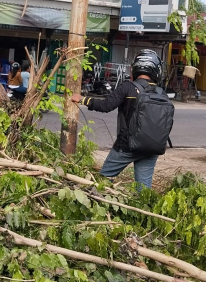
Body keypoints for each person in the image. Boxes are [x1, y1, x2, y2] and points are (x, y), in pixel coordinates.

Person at [71, 50, 167, 190]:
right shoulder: (161, 93)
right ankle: (142, 211)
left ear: (136, 67)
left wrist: (83, 99)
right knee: (144, 192)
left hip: (126, 147)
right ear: (156, 70)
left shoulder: (127, 87)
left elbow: (106, 106)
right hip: (151, 148)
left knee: (101, 183)